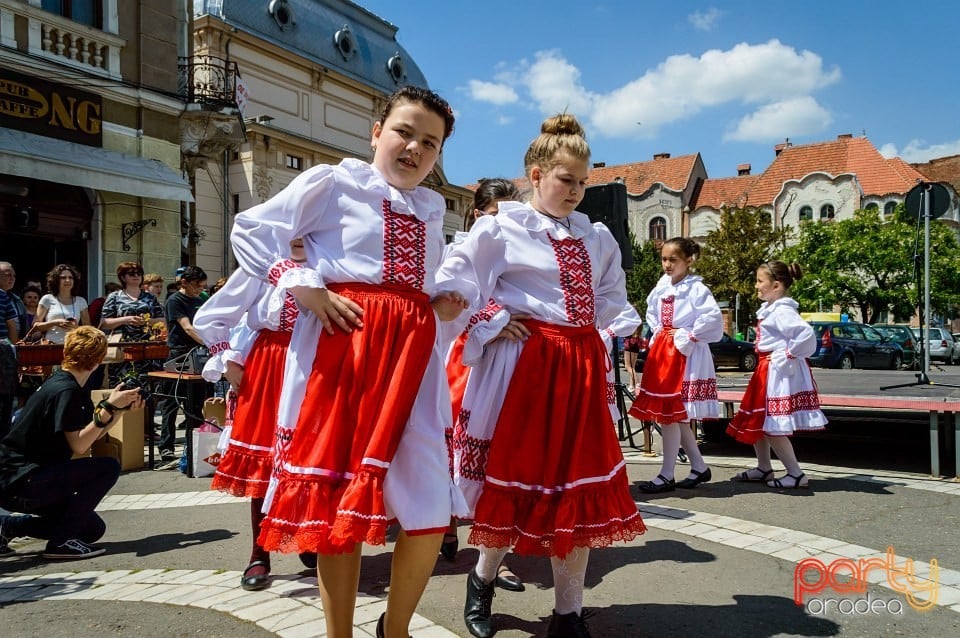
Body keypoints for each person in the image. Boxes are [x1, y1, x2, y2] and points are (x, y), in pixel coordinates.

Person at [229, 86, 466, 638]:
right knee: (338, 507)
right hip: (345, 355)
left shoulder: (431, 210)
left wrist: (440, 302)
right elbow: (253, 229)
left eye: (429, 143)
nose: (414, 148)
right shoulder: (335, 184)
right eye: (405, 131)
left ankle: (395, 629)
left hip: (413, 364)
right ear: (376, 131)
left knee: (430, 507)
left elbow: (412, 286)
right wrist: (301, 285)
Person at [437, 114, 647, 638]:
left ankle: (568, 613)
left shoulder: (596, 237)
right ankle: (482, 580)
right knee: (516, 484)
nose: (576, 191)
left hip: (577, 369)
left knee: (574, 493)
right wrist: (494, 318)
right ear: (535, 175)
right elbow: (454, 283)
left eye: (582, 182)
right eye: (565, 180)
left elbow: (611, 296)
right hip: (527, 369)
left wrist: (608, 325)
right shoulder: (502, 226)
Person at [192, 240, 315, 591]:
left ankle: (306, 536)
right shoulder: (263, 263)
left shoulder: (332, 261)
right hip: (271, 363)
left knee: (310, 461)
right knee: (265, 463)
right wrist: (228, 360)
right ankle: (259, 553)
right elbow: (212, 316)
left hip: (316, 364)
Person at [440, 178, 525, 594]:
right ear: (478, 214)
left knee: (494, 459)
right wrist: (494, 320)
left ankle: (491, 553)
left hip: (501, 360)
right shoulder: (460, 248)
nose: (504, 222)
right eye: (496, 214)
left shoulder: (520, 247)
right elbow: (454, 297)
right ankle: (446, 526)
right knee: (451, 449)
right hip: (460, 360)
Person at [0, 326, 143, 559]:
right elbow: (79, 446)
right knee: (108, 467)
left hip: (25, 478)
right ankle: (61, 543)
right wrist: (107, 406)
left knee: (92, 529)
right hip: (23, 479)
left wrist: (118, 412)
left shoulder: (64, 382)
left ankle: (8, 527)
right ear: (97, 361)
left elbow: (86, 434)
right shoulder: (66, 390)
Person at [629, 238, 722, 493]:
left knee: (672, 415)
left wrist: (689, 335)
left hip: (684, 353)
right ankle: (699, 467)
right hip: (665, 351)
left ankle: (667, 474)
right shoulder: (662, 286)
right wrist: (659, 331)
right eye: (664, 259)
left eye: (673, 260)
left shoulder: (696, 289)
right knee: (675, 416)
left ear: (688, 260)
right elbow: (651, 312)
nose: (667, 265)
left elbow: (712, 317)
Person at [726, 261, 827, 488]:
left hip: (777, 371)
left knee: (773, 424)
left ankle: (796, 473)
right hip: (767, 369)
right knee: (760, 419)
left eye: (760, 281)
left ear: (777, 285)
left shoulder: (782, 310)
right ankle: (764, 467)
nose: (756, 286)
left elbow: (805, 334)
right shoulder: (774, 308)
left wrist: (788, 354)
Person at [157, 266, 209, 463]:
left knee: (197, 403)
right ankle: (166, 446)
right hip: (179, 354)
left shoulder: (201, 298)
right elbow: (187, 327)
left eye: (203, 286)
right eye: (197, 286)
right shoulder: (175, 301)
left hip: (198, 353)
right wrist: (209, 342)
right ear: (184, 282)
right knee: (172, 401)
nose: (200, 290)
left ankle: (194, 444)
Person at [99, 263, 165, 388]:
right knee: (122, 386)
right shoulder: (115, 297)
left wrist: (146, 321)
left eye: (139, 273)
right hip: (123, 349)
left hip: (147, 349)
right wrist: (126, 319)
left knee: (149, 387)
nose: (136, 276)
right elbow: (105, 323)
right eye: (131, 273)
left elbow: (162, 321)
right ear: (123, 277)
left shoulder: (149, 297)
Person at [34, 264, 90, 344]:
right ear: (56, 280)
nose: (67, 280)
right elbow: (35, 326)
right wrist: (55, 322)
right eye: (63, 278)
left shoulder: (81, 301)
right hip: (51, 346)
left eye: (70, 277)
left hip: (74, 346)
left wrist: (76, 328)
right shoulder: (47, 299)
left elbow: (89, 329)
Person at [0, 261, 26, 340]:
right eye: (8, 275)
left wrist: (12, 348)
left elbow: (12, 326)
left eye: (14, 276)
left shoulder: (13, 299)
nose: (12, 278)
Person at [622, 324, 643, 392]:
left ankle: (637, 382)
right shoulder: (639, 321)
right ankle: (631, 386)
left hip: (630, 342)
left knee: (627, 366)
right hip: (636, 343)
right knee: (632, 367)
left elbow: (625, 331)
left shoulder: (631, 321)